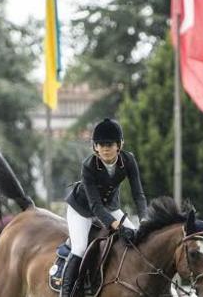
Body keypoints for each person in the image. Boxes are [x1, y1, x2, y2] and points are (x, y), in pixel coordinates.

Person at [59, 118, 148, 297]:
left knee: (139, 242)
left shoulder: (128, 160)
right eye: (101, 144)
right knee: (80, 248)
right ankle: (66, 292)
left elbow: (138, 195)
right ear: (95, 147)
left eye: (110, 144)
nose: (105, 148)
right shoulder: (89, 165)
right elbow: (95, 206)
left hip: (110, 206)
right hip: (82, 210)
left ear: (119, 145)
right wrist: (118, 227)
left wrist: (145, 220)